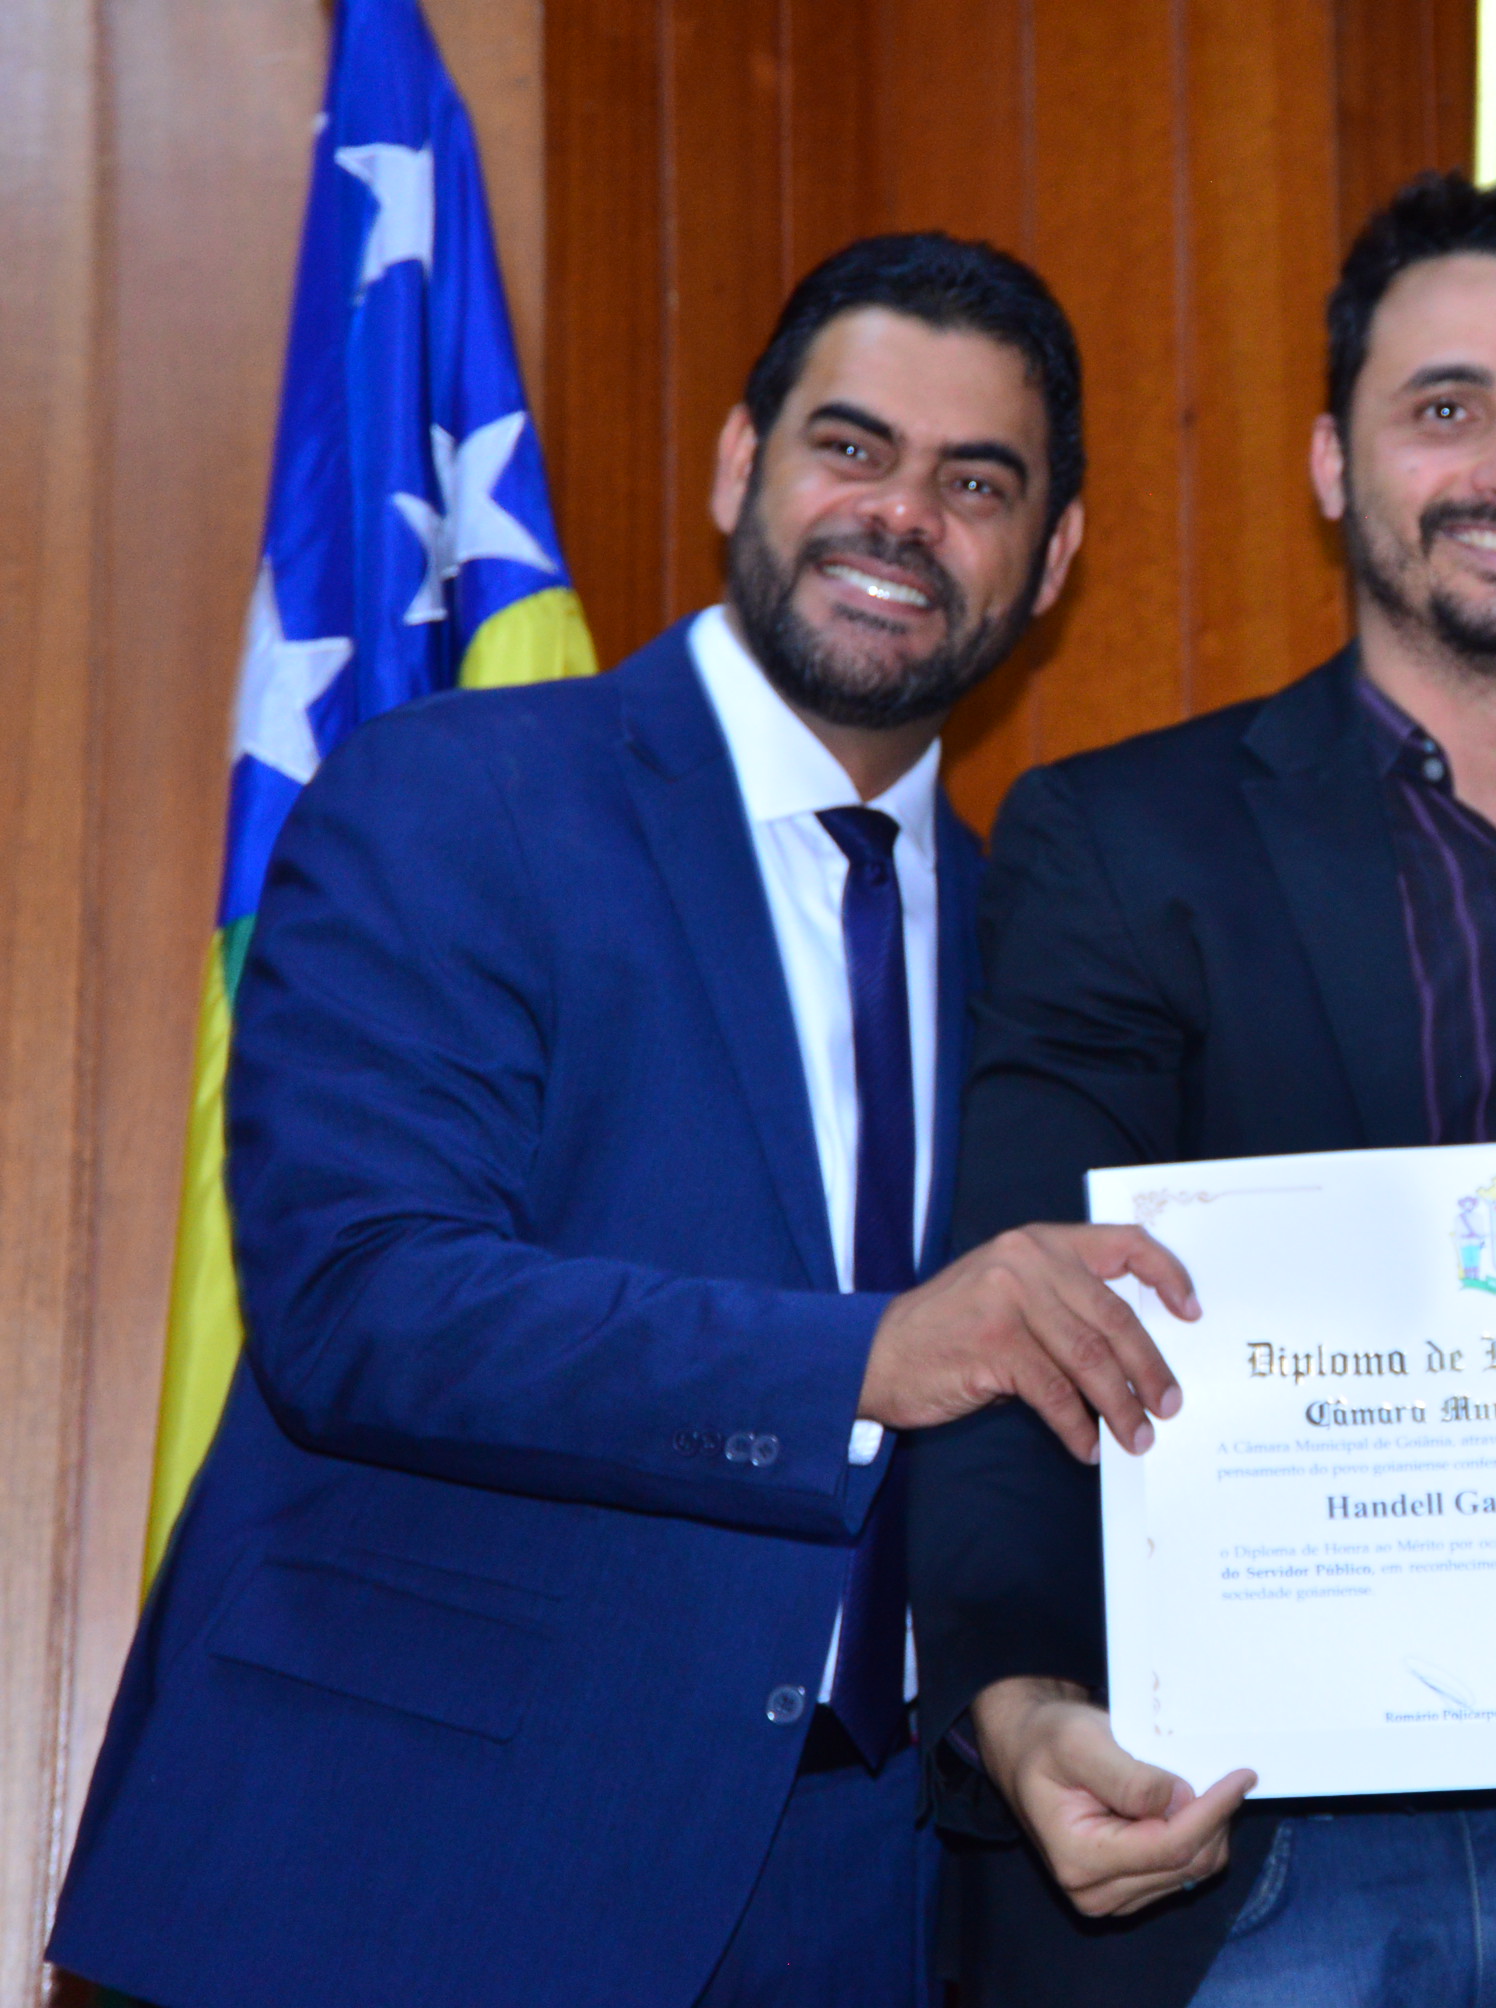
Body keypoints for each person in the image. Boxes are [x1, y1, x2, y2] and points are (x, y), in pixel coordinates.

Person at [48, 233, 1197, 2008]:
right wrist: (867, 1357)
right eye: (851, 446)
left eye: (977, 484)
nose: (901, 515)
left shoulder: (1043, 951)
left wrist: (1026, 1707)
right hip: (413, 1878)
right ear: (741, 463)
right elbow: (361, 1300)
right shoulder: (454, 794)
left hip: (863, 1910)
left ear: (1051, 561)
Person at [908, 174, 1496, 2008]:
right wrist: (1012, 1701)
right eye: (1445, 406)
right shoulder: (1124, 841)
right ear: (1335, 462)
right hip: (1250, 1844)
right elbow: (1015, 1314)